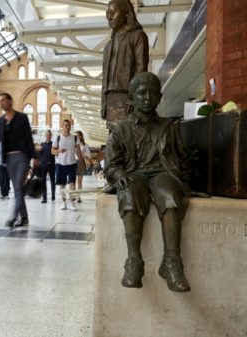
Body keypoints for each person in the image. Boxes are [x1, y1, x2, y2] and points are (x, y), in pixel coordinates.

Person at [105, 72, 191, 292]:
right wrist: (118, 174)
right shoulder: (121, 129)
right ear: (131, 98)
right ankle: (134, 261)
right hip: (134, 176)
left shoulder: (169, 127)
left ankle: (172, 262)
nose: (147, 97)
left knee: (170, 196)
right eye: (141, 93)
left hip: (162, 174)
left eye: (152, 93)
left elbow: (182, 157)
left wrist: (185, 180)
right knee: (129, 195)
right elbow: (111, 164)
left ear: (160, 97)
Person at [0, 93, 38, 228]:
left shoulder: (22, 118)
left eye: (3, 100)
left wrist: (34, 157)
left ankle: (13, 218)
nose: (1, 103)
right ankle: (25, 217)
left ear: (10, 101)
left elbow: (28, 138)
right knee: (18, 189)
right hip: (8, 158)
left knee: (17, 186)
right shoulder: (0, 121)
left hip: (22, 156)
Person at [102, 0, 149, 132]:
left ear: (126, 12)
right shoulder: (108, 46)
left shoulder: (138, 36)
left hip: (127, 97)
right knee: (114, 140)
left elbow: (141, 71)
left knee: (129, 137)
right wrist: (103, 103)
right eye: (107, 14)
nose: (109, 17)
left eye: (112, 13)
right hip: (111, 99)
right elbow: (104, 78)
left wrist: (135, 99)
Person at [52, 120, 83, 211]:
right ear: (62, 126)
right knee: (62, 185)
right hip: (60, 164)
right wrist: (59, 151)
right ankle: (63, 202)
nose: (67, 127)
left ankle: (72, 203)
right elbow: (52, 151)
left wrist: (82, 162)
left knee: (72, 184)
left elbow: (78, 151)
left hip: (71, 164)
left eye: (69, 125)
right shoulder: (57, 138)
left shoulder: (74, 138)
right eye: (65, 125)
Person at [38, 130, 56, 204]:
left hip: (51, 165)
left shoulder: (53, 145)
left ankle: (53, 195)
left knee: (52, 181)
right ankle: (44, 198)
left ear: (51, 135)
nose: (48, 136)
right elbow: (39, 155)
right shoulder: (42, 144)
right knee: (43, 182)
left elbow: (55, 153)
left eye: (49, 134)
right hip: (43, 165)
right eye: (47, 134)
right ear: (45, 135)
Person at [75, 131, 91, 203]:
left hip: (81, 162)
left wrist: (82, 155)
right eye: (76, 136)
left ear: (81, 136)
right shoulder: (73, 144)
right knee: (72, 181)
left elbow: (89, 155)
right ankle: (72, 196)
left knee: (79, 182)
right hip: (72, 162)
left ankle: (79, 197)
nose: (77, 137)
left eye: (78, 135)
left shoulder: (85, 145)